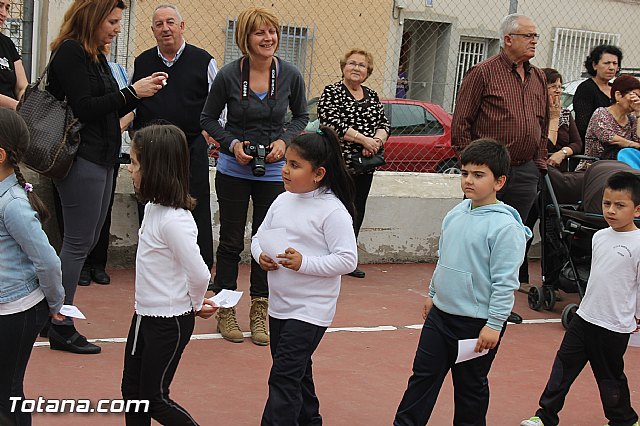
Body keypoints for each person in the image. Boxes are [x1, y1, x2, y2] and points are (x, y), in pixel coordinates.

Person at [46, 0, 167, 354]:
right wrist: (133, 92)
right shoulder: (71, 52)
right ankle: (59, 323)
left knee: (84, 240)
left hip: (101, 156)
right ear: (93, 18)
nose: (117, 28)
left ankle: (51, 314)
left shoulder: (94, 54)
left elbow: (105, 104)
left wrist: (137, 92)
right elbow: (84, 107)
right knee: (77, 243)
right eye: (112, 21)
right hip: (81, 157)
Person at [394, 139, 531, 426]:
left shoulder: (506, 228)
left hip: (475, 324)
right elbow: (444, 257)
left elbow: (506, 283)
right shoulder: (456, 213)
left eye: (478, 175)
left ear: (499, 181)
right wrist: (433, 293)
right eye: (464, 173)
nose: (468, 180)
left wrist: (494, 324)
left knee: (470, 389)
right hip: (441, 316)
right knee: (422, 379)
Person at [201, 7, 308, 345]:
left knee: (268, 243)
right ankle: (226, 308)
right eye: (260, 33)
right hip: (234, 170)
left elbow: (302, 116)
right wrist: (231, 144)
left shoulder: (290, 74)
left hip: (274, 172)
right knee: (231, 241)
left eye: (272, 32)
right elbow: (207, 119)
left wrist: (284, 140)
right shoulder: (230, 75)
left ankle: (261, 310)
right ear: (245, 38)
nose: (268, 38)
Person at [251, 126, 357, 425]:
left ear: (318, 173)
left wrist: (303, 263)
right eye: (286, 162)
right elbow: (258, 236)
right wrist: (260, 256)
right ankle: (311, 420)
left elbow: (347, 260)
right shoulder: (283, 200)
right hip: (280, 305)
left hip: (311, 309)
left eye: (295, 166)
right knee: (296, 372)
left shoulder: (332, 211)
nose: (285, 170)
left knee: (283, 377)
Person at [521, 171, 640, 426]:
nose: (611, 210)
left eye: (620, 205)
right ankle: (545, 416)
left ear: (637, 209)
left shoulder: (638, 243)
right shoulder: (599, 237)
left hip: (613, 327)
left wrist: (637, 316)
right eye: (607, 203)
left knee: (609, 377)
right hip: (584, 319)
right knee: (562, 367)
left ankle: (624, 420)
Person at [452, 13, 548, 323]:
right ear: (508, 39)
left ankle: (499, 306)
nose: (534, 41)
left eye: (535, 37)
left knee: (513, 238)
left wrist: (540, 162)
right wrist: (471, 168)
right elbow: (462, 122)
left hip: (525, 171)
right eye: (528, 36)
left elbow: (543, 123)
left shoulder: (539, 77)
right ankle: (469, 300)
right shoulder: (482, 72)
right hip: (489, 174)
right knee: (479, 239)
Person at [121, 124, 217, 426]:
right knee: (132, 393)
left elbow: (200, 273)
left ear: (155, 169)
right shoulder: (152, 208)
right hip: (144, 316)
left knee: (154, 399)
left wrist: (196, 302)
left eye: (135, 163)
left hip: (169, 322)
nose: (130, 170)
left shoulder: (175, 221)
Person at [131, 3, 219, 273]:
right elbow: (134, 100)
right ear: (153, 30)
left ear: (181, 26)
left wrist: (207, 136)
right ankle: (153, 262)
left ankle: (201, 263)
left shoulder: (203, 60)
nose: (165, 28)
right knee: (150, 203)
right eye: (159, 24)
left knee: (195, 203)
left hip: (189, 146)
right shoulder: (142, 62)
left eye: (170, 22)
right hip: (152, 148)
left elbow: (219, 102)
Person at [0, 108, 65, 425]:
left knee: (8, 393)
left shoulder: (13, 203)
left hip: (17, 311)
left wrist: (55, 302)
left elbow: (48, 261)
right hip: (7, 307)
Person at [317, 48, 390, 279]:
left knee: (358, 208)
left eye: (361, 65)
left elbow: (384, 123)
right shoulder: (332, 92)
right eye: (352, 63)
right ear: (343, 67)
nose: (356, 68)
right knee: (336, 208)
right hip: (339, 163)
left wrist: (376, 141)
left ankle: (348, 258)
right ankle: (328, 255)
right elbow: (331, 123)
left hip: (366, 164)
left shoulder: (372, 95)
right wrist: (364, 140)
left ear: (368, 71)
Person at [520, 68, 583, 290]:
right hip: (535, 177)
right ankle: (521, 277)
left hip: (556, 179)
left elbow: (577, 143)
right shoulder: (533, 112)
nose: (558, 91)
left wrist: (562, 152)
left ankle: (553, 279)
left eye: (560, 86)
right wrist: (553, 119)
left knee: (553, 229)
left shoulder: (566, 113)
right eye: (553, 86)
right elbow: (543, 144)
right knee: (526, 226)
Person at [576, 74, 640, 171]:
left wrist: (639, 113)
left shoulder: (631, 119)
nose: (637, 100)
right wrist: (633, 144)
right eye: (634, 95)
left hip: (623, 168)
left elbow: (638, 140)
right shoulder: (601, 113)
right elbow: (610, 138)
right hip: (594, 169)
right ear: (618, 95)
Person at [573, 45, 623, 145]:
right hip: (593, 148)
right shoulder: (586, 88)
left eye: (615, 63)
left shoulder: (617, 89)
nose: (611, 67)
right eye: (607, 63)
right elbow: (583, 125)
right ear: (594, 65)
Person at [0, 0, 27, 110]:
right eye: (0, 6)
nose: (4, 13)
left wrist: (25, 103)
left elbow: (22, 87)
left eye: (7, 8)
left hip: (13, 117)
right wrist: (15, 106)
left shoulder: (7, 44)